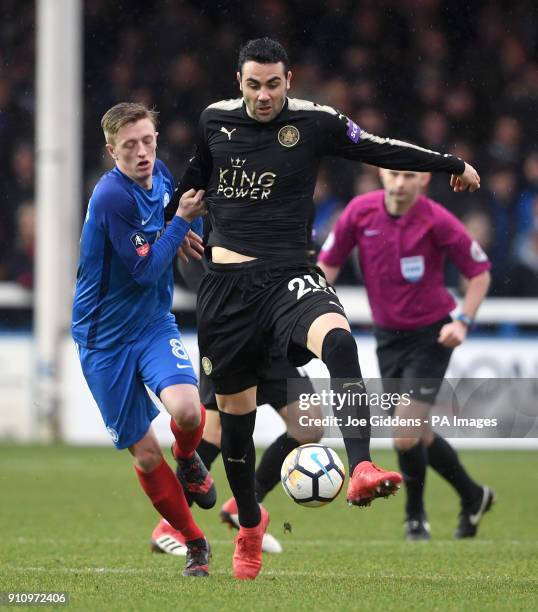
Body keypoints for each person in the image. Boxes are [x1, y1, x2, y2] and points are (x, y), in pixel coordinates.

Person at [175, 37, 480, 579]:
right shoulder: (213, 121)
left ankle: (360, 465)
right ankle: (249, 525)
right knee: (237, 428)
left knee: (339, 341)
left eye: (273, 84)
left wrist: (449, 161)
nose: (264, 95)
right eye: (253, 84)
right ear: (238, 81)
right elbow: (191, 182)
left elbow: (378, 148)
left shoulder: (315, 122)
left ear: (288, 80)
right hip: (226, 290)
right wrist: (176, 226)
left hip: (289, 272)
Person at [71, 102, 214, 577]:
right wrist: (179, 227)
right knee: (146, 452)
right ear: (112, 151)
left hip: (152, 323)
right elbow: (146, 266)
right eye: (129, 145)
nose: (142, 152)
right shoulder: (111, 196)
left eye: (148, 140)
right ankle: (194, 542)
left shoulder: (163, 175)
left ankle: (188, 458)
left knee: (190, 411)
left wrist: (186, 229)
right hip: (103, 339)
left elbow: (176, 216)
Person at [318, 168, 495, 540]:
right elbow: (327, 265)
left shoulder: (436, 219)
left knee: (404, 432)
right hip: (387, 337)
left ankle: (415, 516)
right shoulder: (359, 212)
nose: (400, 183)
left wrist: (462, 321)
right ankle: (473, 495)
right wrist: (309, 309)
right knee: (418, 432)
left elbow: (479, 272)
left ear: (423, 181)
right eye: (394, 174)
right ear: (382, 174)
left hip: (432, 335)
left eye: (408, 176)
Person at [150, 251, 324, 557]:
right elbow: (192, 263)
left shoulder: (281, 210)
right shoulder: (215, 214)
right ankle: (170, 524)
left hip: (270, 333)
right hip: (231, 332)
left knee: (309, 423)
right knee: (214, 433)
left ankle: (245, 503)